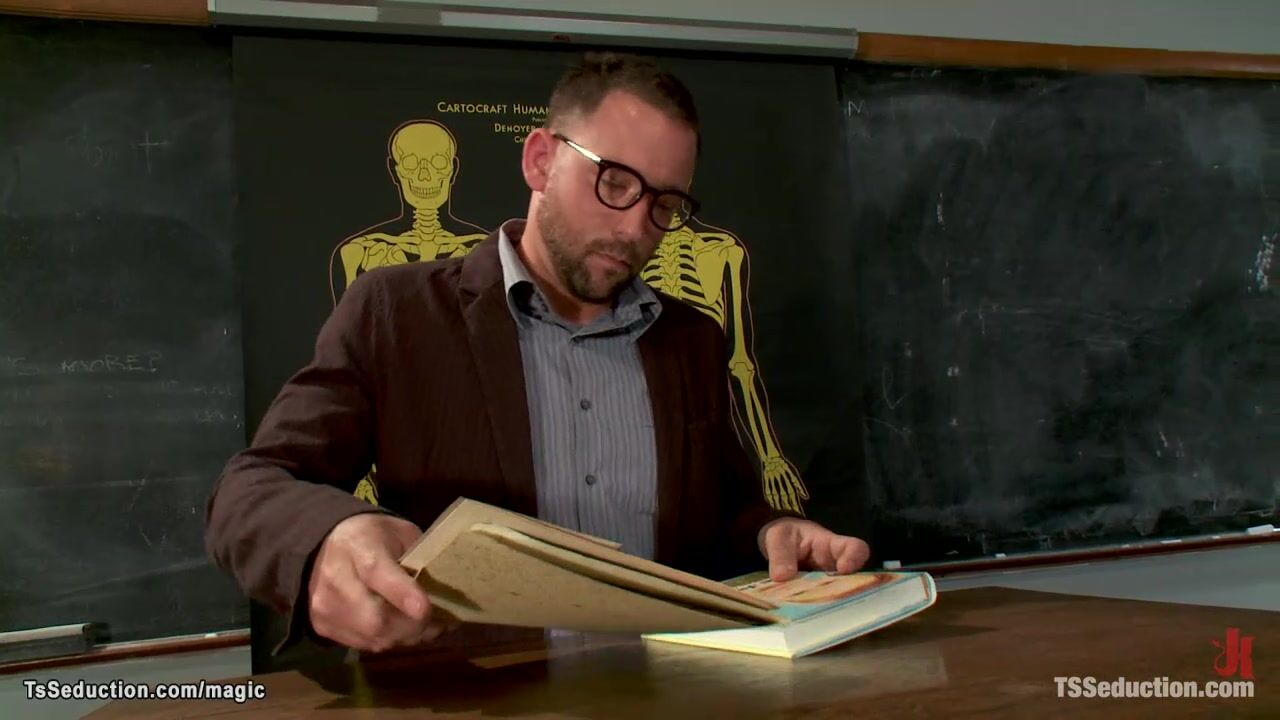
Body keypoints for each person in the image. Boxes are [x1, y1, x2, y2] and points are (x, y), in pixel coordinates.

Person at [204, 51, 870, 657]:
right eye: (615, 183)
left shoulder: (691, 339)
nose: (635, 228)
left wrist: (769, 535)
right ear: (540, 161)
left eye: (665, 204)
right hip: (476, 697)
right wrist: (329, 539)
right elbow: (250, 490)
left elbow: (724, 515)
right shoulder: (395, 312)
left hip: (668, 691)